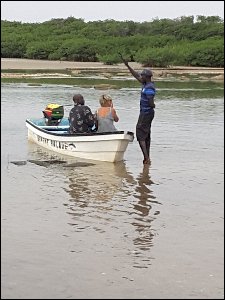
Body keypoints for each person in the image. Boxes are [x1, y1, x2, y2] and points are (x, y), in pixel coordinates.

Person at [119, 53, 156, 164]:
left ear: (147, 77)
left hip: (146, 114)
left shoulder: (149, 87)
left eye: (143, 76)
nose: (141, 77)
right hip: (146, 113)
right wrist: (127, 65)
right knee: (147, 134)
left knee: (140, 135)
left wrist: (153, 105)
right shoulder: (145, 84)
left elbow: (151, 103)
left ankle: (146, 158)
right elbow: (136, 76)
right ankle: (147, 157)